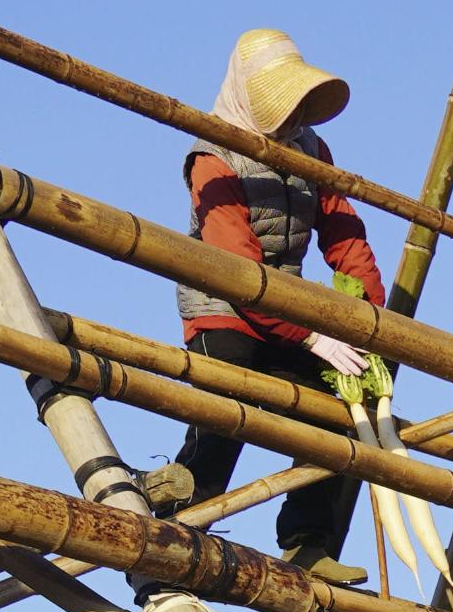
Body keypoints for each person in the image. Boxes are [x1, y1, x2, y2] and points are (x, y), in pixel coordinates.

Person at [147, 30, 379, 582]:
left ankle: (306, 541)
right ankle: (179, 531)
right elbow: (236, 267)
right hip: (224, 304)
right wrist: (312, 335)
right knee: (227, 409)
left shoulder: (312, 151)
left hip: (289, 308)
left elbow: (346, 238)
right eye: (285, 105)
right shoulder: (212, 154)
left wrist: (367, 321)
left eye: (299, 105)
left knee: (335, 413)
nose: (296, 117)